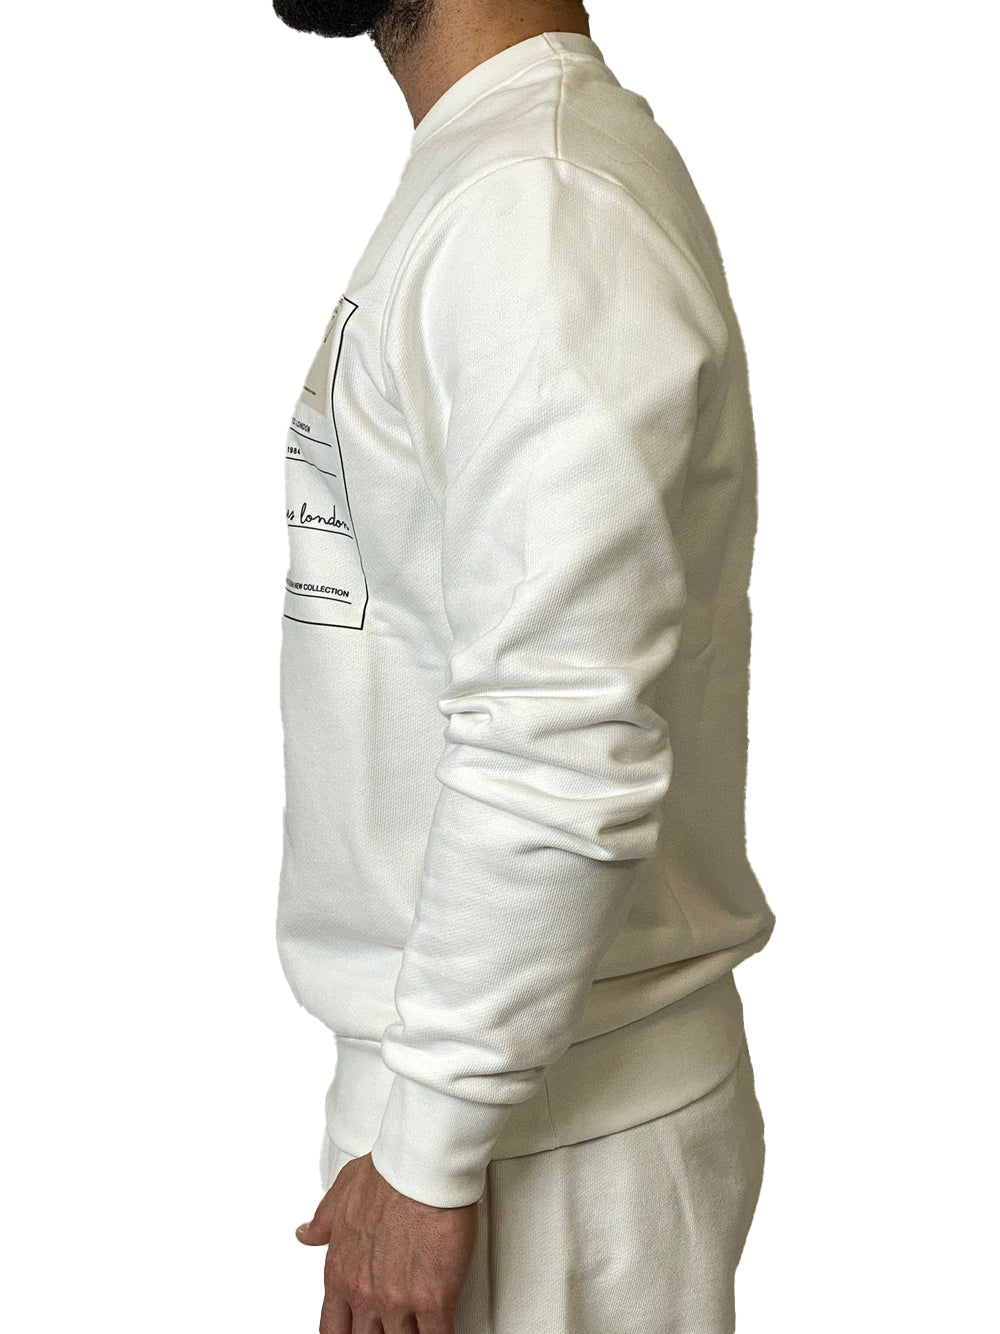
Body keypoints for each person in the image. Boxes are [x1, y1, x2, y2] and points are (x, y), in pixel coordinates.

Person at [271, 2, 776, 1330]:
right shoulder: (499, 176)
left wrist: (433, 1139)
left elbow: (558, 724)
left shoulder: (535, 204)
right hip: (494, 1102)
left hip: (536, 1139)